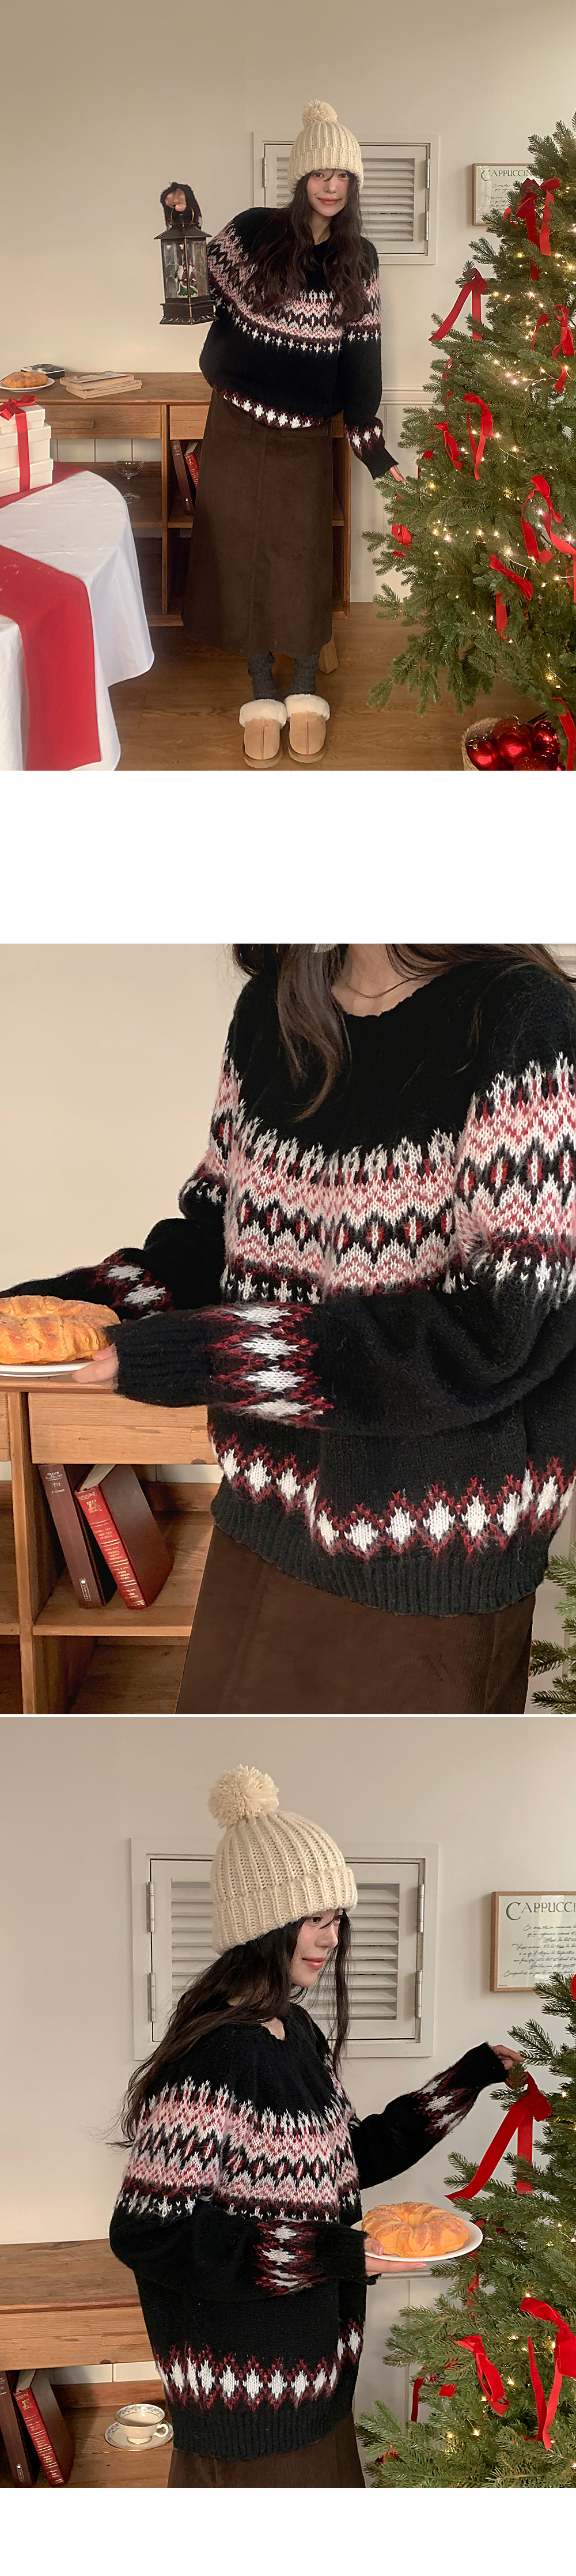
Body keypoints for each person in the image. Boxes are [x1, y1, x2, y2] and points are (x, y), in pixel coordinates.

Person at [10, 943, 576, 1717]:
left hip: (431, 1547)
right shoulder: (271, 1014)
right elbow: (213, 1240)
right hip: (263, 1512)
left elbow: (497, 1333)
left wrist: (205, 1355)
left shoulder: (522, 1020)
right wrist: (66, 1310)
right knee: (223, 1786)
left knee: (374, 1803)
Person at [109, 1764, 521, 2488]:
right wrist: (331, 2251)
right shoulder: (218, 2053)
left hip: (315, 2371)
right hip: (247, 2398)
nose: (332, 1937)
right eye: (317, 1917)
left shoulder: (293, 2030)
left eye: (336, 1918)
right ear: (264, 1922)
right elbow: (149, 2231)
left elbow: (345, 2157)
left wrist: (468, 2076)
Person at [175, 103, 404, 768]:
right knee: (237, 552)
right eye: (321, 174)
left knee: (301, 559)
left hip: (306, 434)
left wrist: (371, 446)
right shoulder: (253, 232)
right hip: (235, 423)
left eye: (343, 176)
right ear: (301, 177)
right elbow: (192, 288)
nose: (332, 186)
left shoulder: (359, 259)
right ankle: (261, 692)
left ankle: (304, 687)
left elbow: (363, 357)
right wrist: (184, 228)